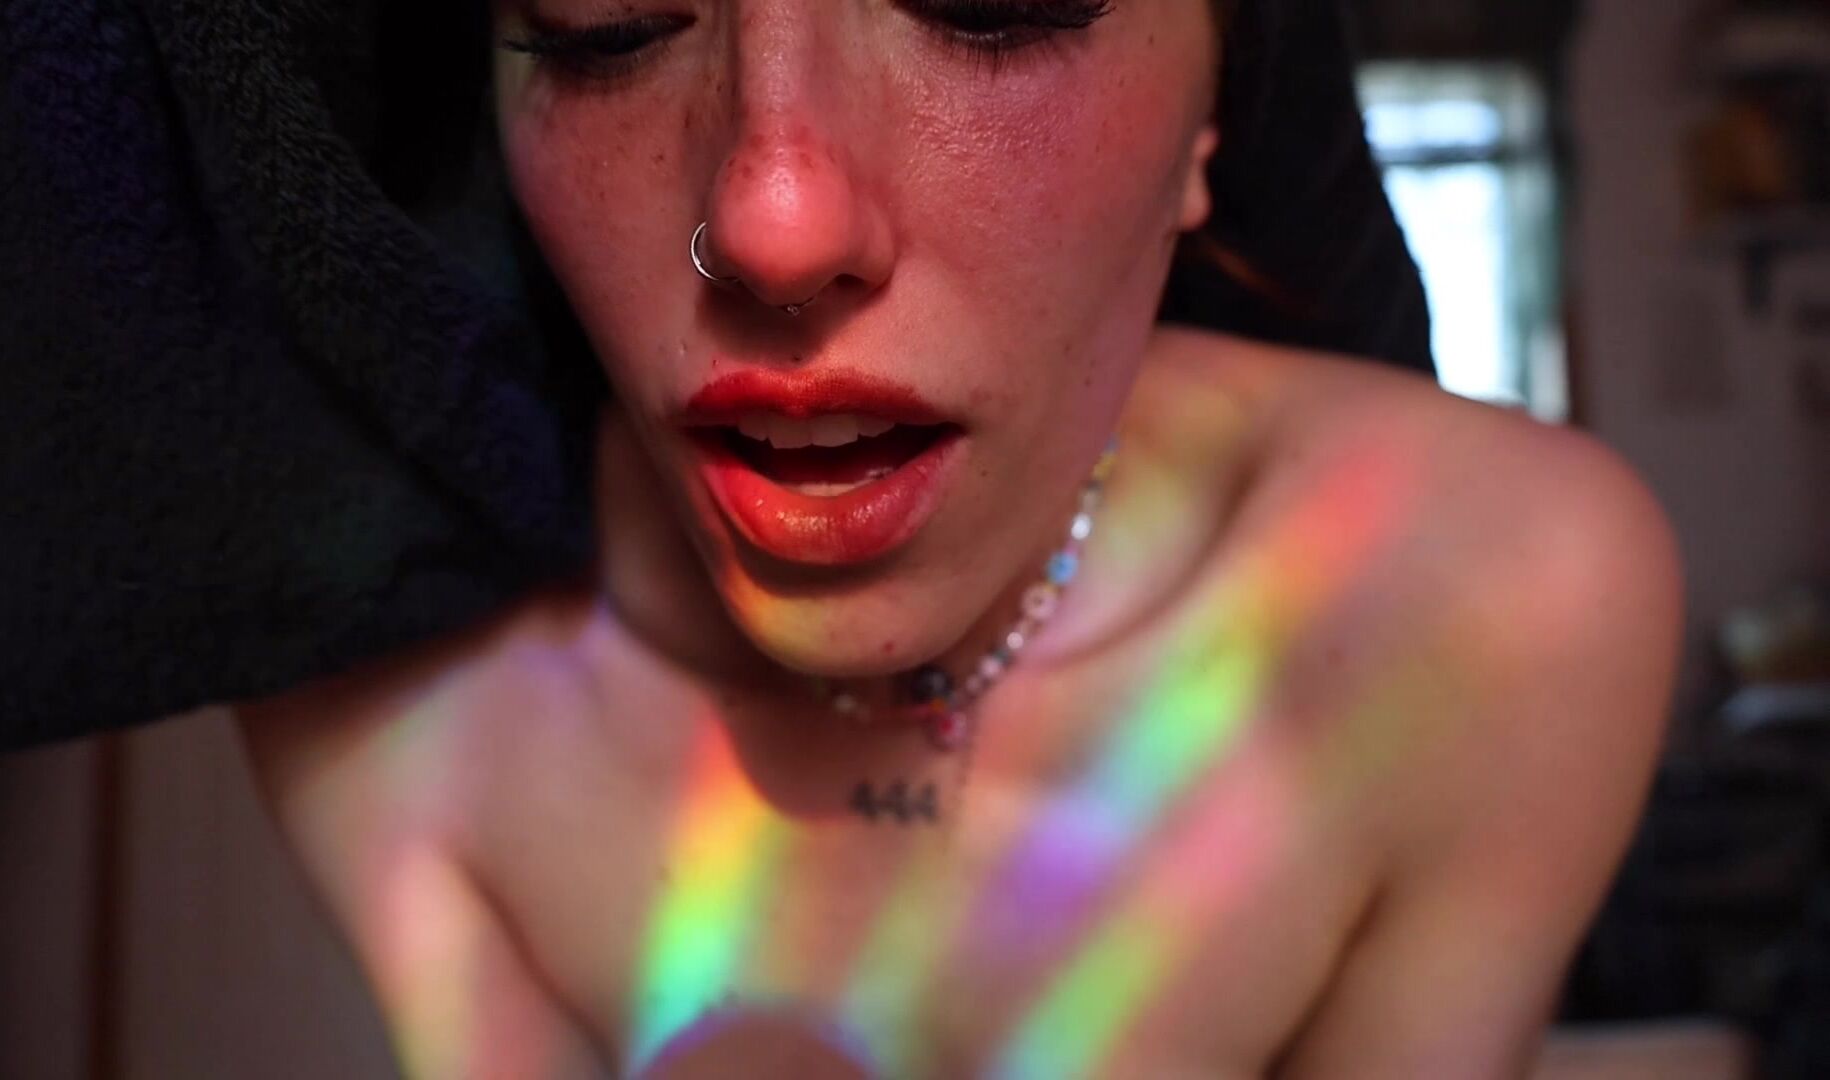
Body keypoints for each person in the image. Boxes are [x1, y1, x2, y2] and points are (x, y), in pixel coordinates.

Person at [235, 1, 1683, 1077]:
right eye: (603, 25)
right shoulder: (382, 668)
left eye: (990, 2)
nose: (775, 222)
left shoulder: (1493, 606)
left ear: (1215, 108)